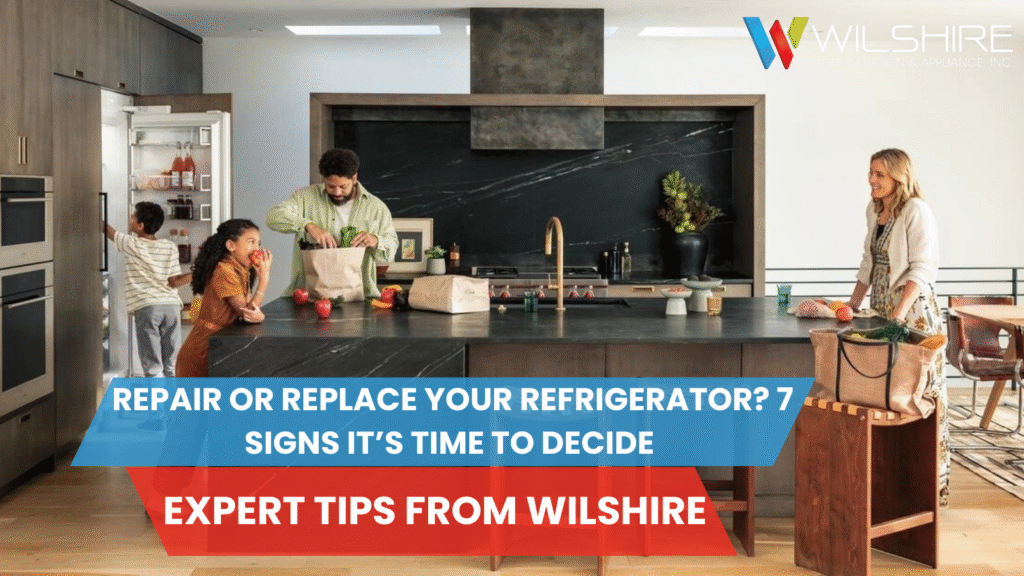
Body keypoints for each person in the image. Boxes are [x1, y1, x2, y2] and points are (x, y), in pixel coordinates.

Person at [845, 148, 948, 506]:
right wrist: (853, 304)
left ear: (899, 178)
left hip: (913, 312)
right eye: (871, 173)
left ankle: (926, 487)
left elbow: (921, 268)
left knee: (919, 393)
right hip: (883, 310)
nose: (872, 181)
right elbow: (868, 262)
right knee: (885, 391)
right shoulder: (875, 210)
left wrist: (900, 315)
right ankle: (888, 482)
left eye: (880, 175)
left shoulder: (916, 211)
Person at [266, 148, 398, 299]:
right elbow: (273, 217)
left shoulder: (375, 207)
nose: (337, 192)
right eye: (330, 186)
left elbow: (391, 249)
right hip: (308, 297)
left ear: (354, 178)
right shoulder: (305, 197)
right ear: (324, 179)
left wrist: (376, 240)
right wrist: (308, 225)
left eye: (343, 186)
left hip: (359, 297)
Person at [106, 202, 191, 378]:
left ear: (140, 226)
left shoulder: (132, 243)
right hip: (172, 308)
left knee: (152, 366)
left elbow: (108, 231)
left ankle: (157, 403)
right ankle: (172, 402)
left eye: (132, 217)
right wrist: (196, 272)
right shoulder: (169, 246)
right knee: (171, 363)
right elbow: (174, 282)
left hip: (148, 308)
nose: (129, 219)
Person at [175, 219, 271, 377]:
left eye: (258, 243)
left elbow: (249, 312)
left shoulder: (239, 269)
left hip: (218, 345)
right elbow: (246, 313)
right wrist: (264, 280)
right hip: (203, 349)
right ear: (231, 245)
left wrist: (257, 315)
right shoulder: (224, 271)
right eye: (251, 242)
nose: (257, 249)